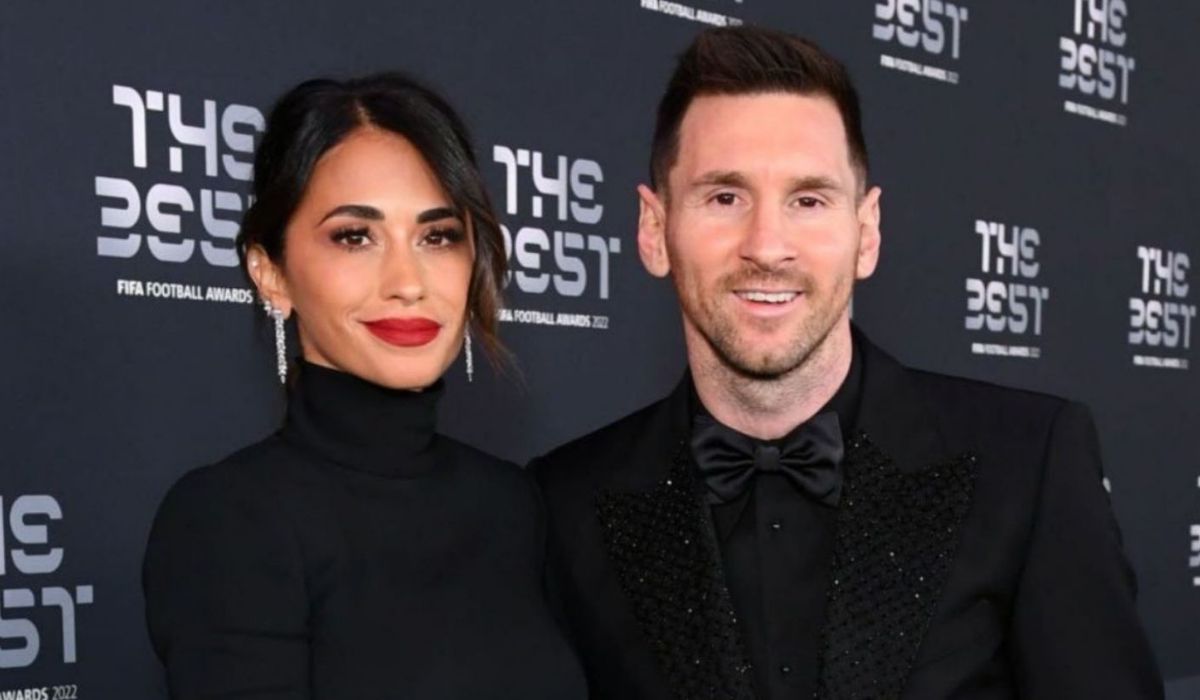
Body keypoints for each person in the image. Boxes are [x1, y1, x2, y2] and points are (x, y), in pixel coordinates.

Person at [532, 26, 1163, 700]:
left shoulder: (1028, 465)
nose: (767, 246)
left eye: (808, 200)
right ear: (655, 231)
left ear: (867, 233)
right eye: (724, 197)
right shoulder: (563, 504)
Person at [143, 73, 586, 699]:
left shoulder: (512, 502)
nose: (407, 281)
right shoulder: (229, 520)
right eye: (355, 236)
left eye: (437, 236)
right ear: (272, 274)